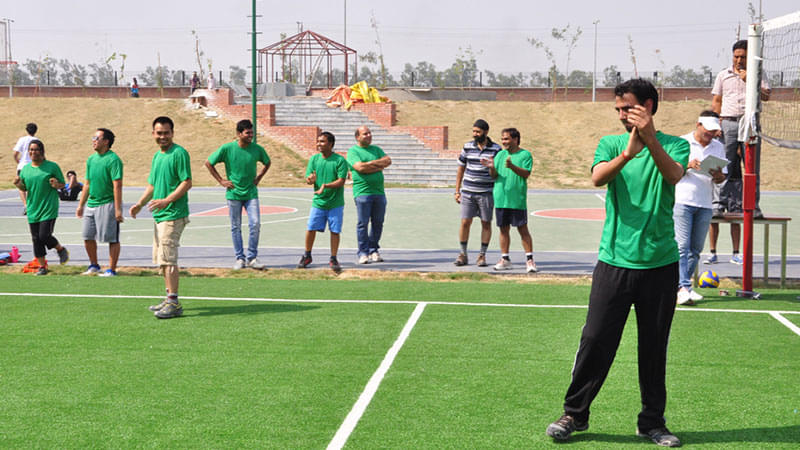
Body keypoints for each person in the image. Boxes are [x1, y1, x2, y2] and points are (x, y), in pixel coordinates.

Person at [546, 79, 689, 447]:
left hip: (659, 264)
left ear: (649, 106)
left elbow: (673, 175)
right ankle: (575, 415)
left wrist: (650, 140)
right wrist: (627, 152)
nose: (622, 115)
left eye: (628, 108)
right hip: (614, 263)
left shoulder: (676, 145)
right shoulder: (611, 144)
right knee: (595, 339)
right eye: (618, 110)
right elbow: (597, 178)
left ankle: (652, 422)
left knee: (654, 346)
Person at [707, 39, 771, 265]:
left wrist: (749, 80)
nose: (739, 60)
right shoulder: (723, 75)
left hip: (750, 122)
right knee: (723, 165)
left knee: (752, 168)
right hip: (728, 124)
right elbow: (716, 100)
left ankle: (753, 206)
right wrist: (716, 124)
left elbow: (766, 95)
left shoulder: (758, 73)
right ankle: (718, 205)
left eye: (743, 56)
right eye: (736, 56)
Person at [129, 116, 192, 319]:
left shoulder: (179, 153)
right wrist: (139, 203)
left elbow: (186, 182)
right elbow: (152, 185)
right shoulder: (157, 156)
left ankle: (173, 302)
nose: (162, 136)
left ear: (172, 133)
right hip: (160, 216)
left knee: (168, 258)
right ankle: (168, 298)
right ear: (153, 134)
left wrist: (166, 200)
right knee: (162, 260)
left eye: (166, 132)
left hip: (173, 214)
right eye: (159, 133)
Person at [675, 112, 727, 305]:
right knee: (681, 246)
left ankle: (683, 287)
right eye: (708, 130)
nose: (711, 134)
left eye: (714, 131)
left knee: (695, 249)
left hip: (705, 202)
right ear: (698, 125)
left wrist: (718, 175)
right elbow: (671, 170)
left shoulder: (718, 147)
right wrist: (687, 165)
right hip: (682, 200)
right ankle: (682, 287)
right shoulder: (682, 142)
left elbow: (722, 179)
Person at [205, 119, 271, 270]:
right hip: (234, 194)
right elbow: (209, 163)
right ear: (239, 133)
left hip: (251, 193)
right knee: (236, 227)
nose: (251, 136)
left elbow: (267, 162)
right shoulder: (227, 149)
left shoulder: (257, 149)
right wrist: (221, 180)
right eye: (248, 133)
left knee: (255, 224)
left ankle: (252, 258)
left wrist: (259, 177)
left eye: (252, 133)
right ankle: (239, 258)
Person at [480, 127, 536, 273]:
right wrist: (491, 167)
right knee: (503, 230)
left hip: (517, 200)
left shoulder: (525, 155)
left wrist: (512, 166)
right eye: (502, 139)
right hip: (500, 199)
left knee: (522, 229)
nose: (504, 142)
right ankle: (505, 259)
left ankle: (529, 260)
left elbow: (526, 173)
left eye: (506, 139)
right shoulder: (499, 155)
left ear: (515, 139)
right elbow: (494, 176)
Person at [13, 140, 70, 275]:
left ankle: (60, 249)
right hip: (33, 208)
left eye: (36, 149)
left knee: (44, 235)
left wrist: (56, 184)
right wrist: (18, 184)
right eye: (31, 150)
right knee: (36, 239)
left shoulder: (52, 167)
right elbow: (24, 187)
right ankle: (42, 266)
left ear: (42, 151)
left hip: (48, 207)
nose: (33, 152)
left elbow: (62, 184)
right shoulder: (25, 169)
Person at [298, 131, 348, 273]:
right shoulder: (314, 160)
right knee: (311, 228)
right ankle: (307, 255)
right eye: (318, 141)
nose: (318, 144)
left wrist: (325, 185)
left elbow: (341, 181)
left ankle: (333, 258)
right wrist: (310, 180)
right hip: (319, 202)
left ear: (331, 144)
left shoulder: (340, 161)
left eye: (322, 141)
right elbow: (309, 178)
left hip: (335, 203)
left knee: (335, 231)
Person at [76, 128, 124, 277]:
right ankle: (94, 265)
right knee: (87, 236)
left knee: (111, 238)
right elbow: (88, 184)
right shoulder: (91, 159)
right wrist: (81, 205)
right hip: (92, 204)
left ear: (106, 141)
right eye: (93, 138)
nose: (93, 141)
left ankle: (111, 269)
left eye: (96, 138)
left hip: (107, 203)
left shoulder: (113, 160)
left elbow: (117, 185)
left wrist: (117, 209)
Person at [453, 119, 501, 267]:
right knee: (465, 222)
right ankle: (463, 254)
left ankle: (482, 255)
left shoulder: (496, 149)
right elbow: (461, 168)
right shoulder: (467, 147)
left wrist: (492, 166)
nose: (475, 134)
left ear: (486, 132)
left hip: (486, 193)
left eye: (478, 132)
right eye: (474, 131)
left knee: (486, 223)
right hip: (468, 192)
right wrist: (457, 190)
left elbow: (497, 173)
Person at [346, 126, 391, 264]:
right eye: (365, 134)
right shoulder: (353, 151)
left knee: (378, 223)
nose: (369, 135)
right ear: (357, 137)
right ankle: (363, 252)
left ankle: (373, 250)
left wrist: (369, 164)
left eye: (370, 133)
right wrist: (377, 165)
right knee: (363, 223)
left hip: (379, 192)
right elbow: (359, 168)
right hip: (362, 193)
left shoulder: (376, 149)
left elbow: (388, 161)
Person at [13, 123, 38, 215]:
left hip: (22, 166)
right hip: (33, 166)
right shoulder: (37, 140)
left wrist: (19, 162)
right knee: (32, 187)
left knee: (21, 187)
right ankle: (32, 206)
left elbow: (15, 153)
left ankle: (26, 205)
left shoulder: (22, 140)